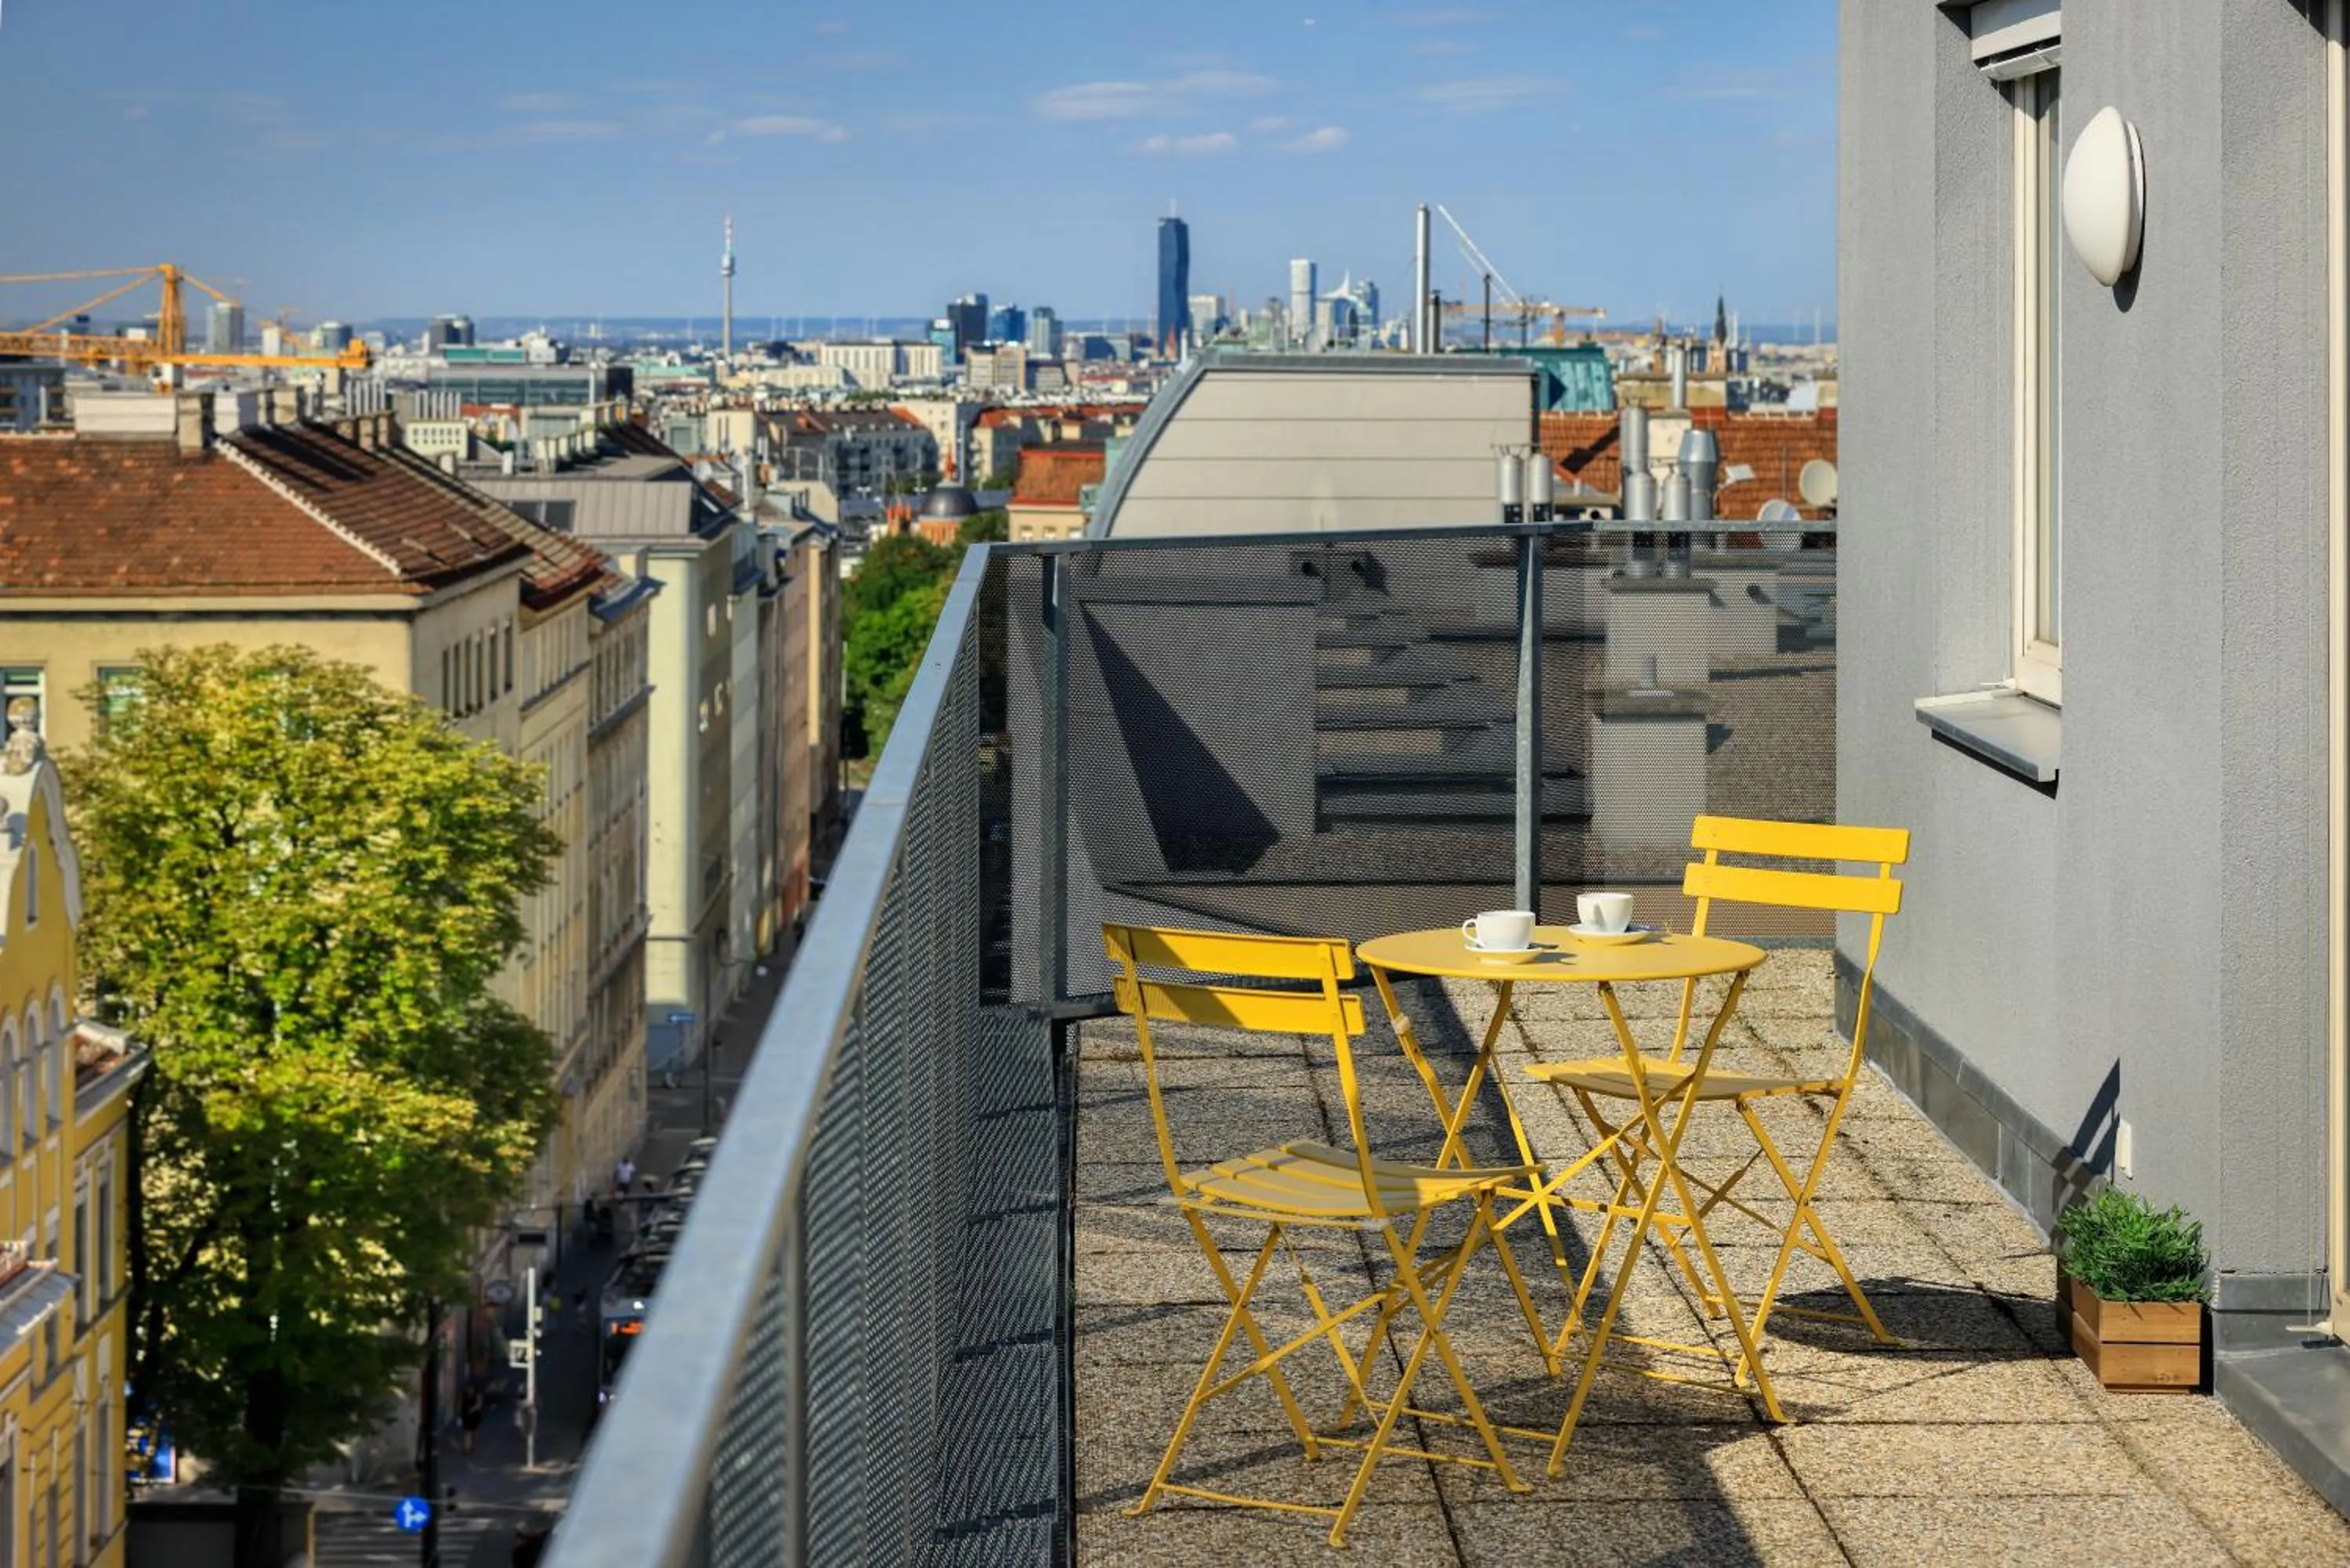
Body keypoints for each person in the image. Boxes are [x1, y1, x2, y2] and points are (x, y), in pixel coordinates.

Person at [459, 1380, 485, 1455]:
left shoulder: (478, 1395)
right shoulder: (464, 1395)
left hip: (475, 1416)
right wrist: (461, 1413)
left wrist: (472, 1409)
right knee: (468, 1432)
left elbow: (479, 1405)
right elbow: (461, 1404)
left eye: (471, 1388)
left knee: (474, 1432)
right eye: (469, 1388)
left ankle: (472, 1446)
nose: (470, 1390)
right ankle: (467, 1448)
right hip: (466, 1415)